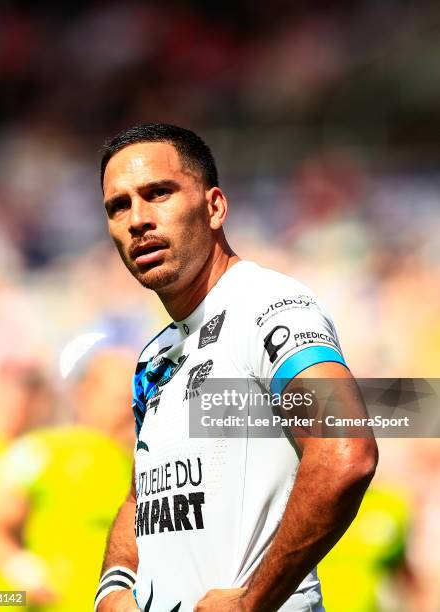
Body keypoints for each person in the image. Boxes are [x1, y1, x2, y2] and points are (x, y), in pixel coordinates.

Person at [96, 123, 378, 612]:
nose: (137, 219)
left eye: (158, 193)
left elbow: (345, 450)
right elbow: (141, 494)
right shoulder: (155, 356)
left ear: (214, 207)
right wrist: (114, 588)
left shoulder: (270, 304)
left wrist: (253, 601)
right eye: (119, 206)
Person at [0, 344, 134, 612]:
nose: (130, 408)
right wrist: (28, 575)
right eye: (119, 398)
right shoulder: (43, 451)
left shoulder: (144, 458)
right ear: (85, 395)